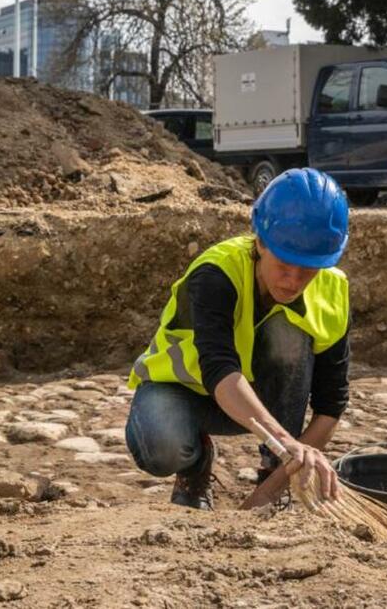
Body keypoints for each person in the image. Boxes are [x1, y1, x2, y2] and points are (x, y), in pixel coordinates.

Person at [125, 168, 352, 510]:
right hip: (183, 393)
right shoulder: (216, 274)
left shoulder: (333, 290)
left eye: (307, 269)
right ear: (260, 241)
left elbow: (330, 406)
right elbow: (220, 371)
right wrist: (288, 443)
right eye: (285, 265)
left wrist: (270, 491)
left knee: (290, 332)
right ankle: (196, 465)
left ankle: (275, 468)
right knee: (161, 446)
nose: (293, 281)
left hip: (260, 405)